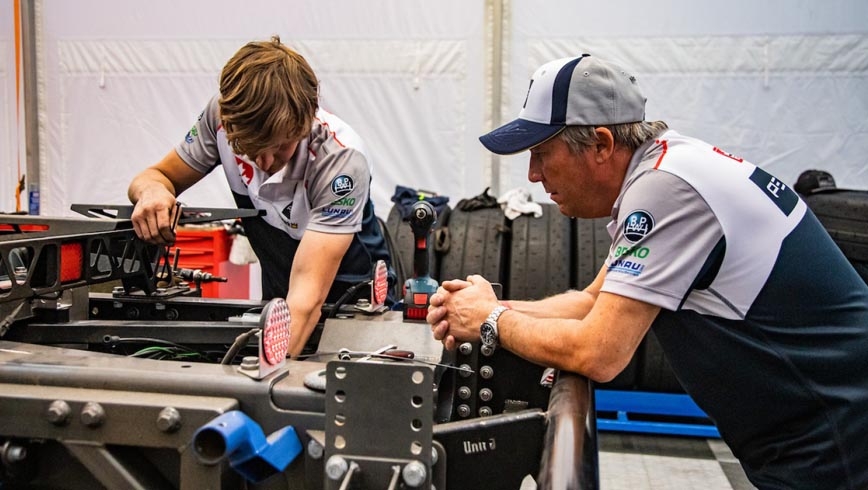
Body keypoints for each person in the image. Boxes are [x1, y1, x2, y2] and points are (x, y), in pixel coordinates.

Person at [426, 54, 868, 489]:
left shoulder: (666, 190)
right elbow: (590, 303)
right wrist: (483, 306)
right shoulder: (663, 167)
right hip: (816, 427)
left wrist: (490, 321)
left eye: (542, 152)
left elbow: (599, 352)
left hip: (837, 435)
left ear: (601, 143)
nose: (533, 174)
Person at [128, 36, 392, 358]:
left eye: (282, 146)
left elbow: (307, 301)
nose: (265, 163)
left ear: (306, 119)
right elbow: (156, 177)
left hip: (351, 304)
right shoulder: (221, 117)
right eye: (250, 150)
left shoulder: (339, 159)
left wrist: (256, 383)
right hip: (282, 299)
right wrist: (153, 192)